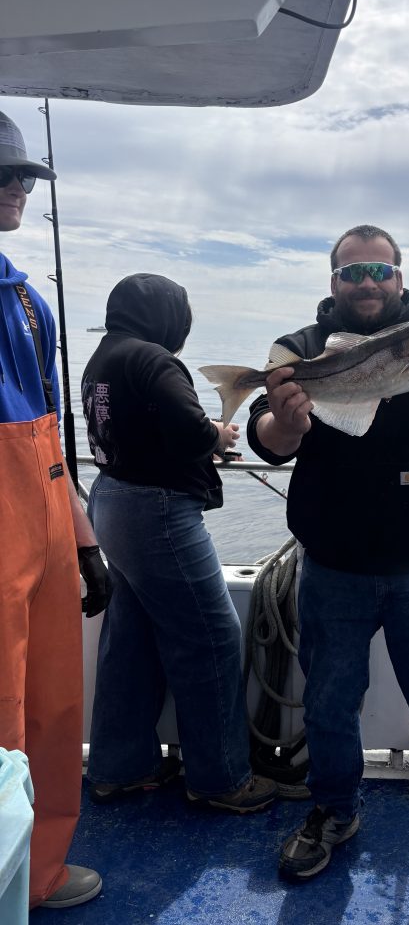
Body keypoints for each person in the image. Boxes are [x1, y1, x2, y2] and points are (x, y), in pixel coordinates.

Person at [247, 225, 409, 924]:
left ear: (399, 277)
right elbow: (272, 439)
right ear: (333, 283)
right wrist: (286, 422)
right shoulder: (296, 351)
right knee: (328, 705)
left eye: (379, 271)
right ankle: (332, 812)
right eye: (353, 272)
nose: (367, 284)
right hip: (334, 565)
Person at [82, 274, 278, 814]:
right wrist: (220, 434)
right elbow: (191, 430)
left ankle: (119, 768)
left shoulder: (104, 355)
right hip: (157, 512)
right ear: (170, 317)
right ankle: (221, 779)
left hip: (111, 500)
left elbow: (136, 429)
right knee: (210, 637)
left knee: (130, 636)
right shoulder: (154, 359)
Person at [0, 109, 108, 909]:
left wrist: (85, 541)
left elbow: (50, 441)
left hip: (42, 531)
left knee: (51, 707)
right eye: (5, 178)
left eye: (23, 178)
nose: (17, 192)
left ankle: (33, 874)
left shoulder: (30, 306)